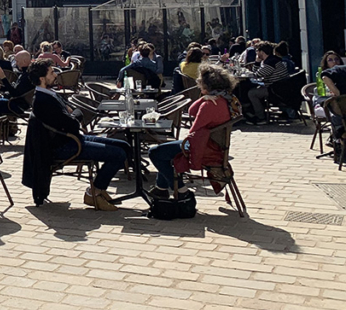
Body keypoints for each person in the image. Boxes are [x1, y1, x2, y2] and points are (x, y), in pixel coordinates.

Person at [23, 59, 131, 210]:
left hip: (73, 139)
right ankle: (94, 192)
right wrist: (74, 114)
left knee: (124, 146)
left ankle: (99, 190)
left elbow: (74, 111)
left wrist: (73, 114)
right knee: (118, 154)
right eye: (52, 72)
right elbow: (73, 123)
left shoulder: (50, 94)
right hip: (64, 145)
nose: (55, 75)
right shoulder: (43, 101)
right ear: (42, 79)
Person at [148, 65, 240, 199]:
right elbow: (191, 111)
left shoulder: (209, 105)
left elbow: (193, 132)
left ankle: (181, 189)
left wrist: (204, 100)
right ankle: (160, 188)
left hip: (205, 148)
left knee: (155, 152)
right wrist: (203, 98)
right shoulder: (228, 99)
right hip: (218, 147)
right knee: (167, 151)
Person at [243, 42, 291, 123]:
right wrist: (257, 63)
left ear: (262, 52)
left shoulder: (270, 63)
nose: (256, 53)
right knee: (255, 89)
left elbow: (257, 74)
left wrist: (256, 62)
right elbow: (257, 73)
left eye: (257, 51)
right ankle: (256, 111)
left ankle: (261, 117)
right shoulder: (272, 60)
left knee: (252, 93)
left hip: (276, 90)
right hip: (276, 86)